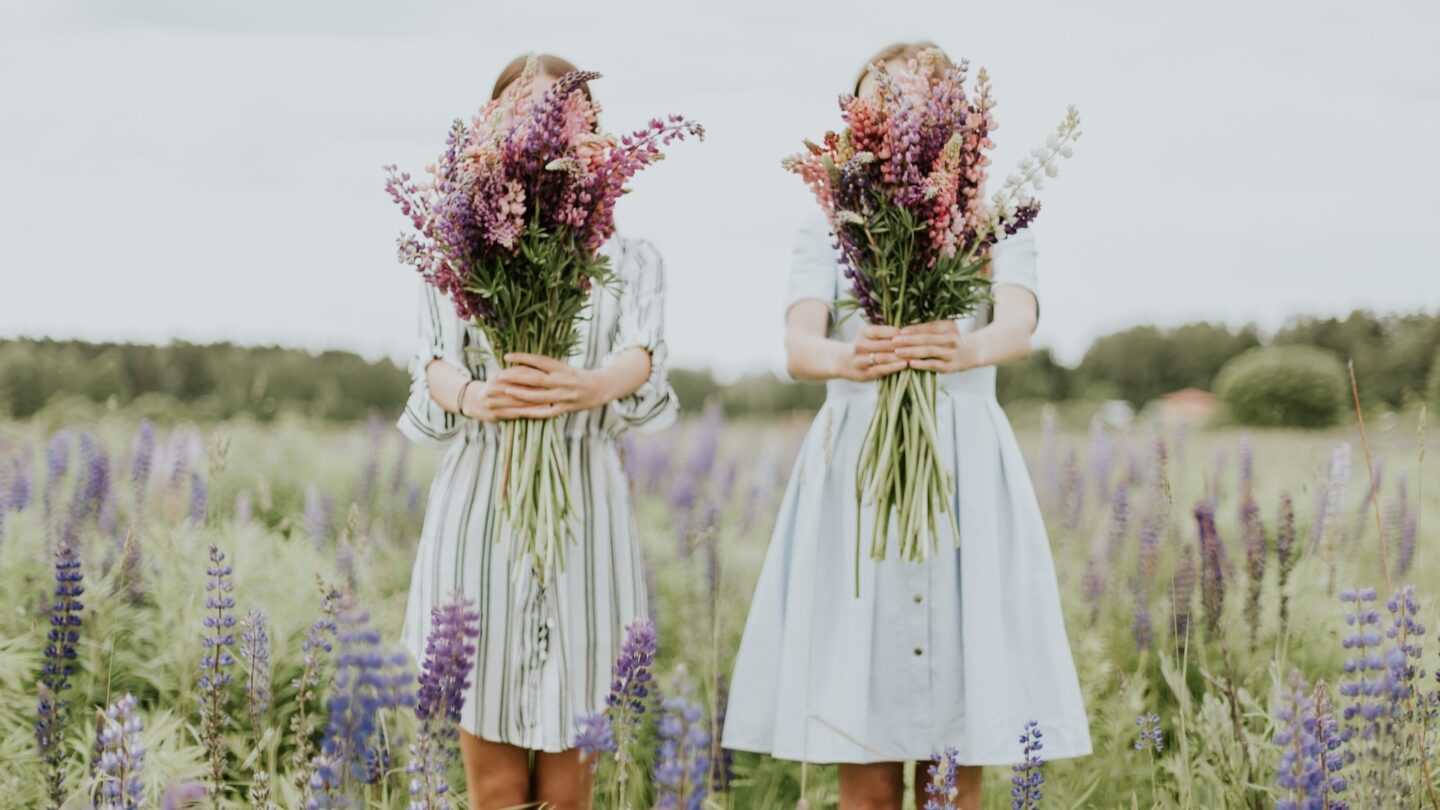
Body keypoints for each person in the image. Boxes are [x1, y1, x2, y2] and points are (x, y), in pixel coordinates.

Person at [722, 41, 1092, 810]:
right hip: (857, 461)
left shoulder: (993, 216)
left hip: (964, 457)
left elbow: (1018, 323)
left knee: (957, 756)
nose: (885, 111)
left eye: (905, 96)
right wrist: (849, 358)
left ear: (948, 112)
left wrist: (960, 346)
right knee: (863, 749)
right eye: (873, 98)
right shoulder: (829, 218)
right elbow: (798, 346)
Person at [395, 53, 678, 810]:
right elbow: (429, 364)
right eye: (519, 109)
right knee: (492, 787)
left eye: (562, 111)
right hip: (481, 503)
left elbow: (643, 355)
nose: (541, 123)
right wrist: (474, 398)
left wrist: (589, 386)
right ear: (492, 123)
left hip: (582, 507)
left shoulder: (627, 254)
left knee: (569, 790)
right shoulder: (459, 247)